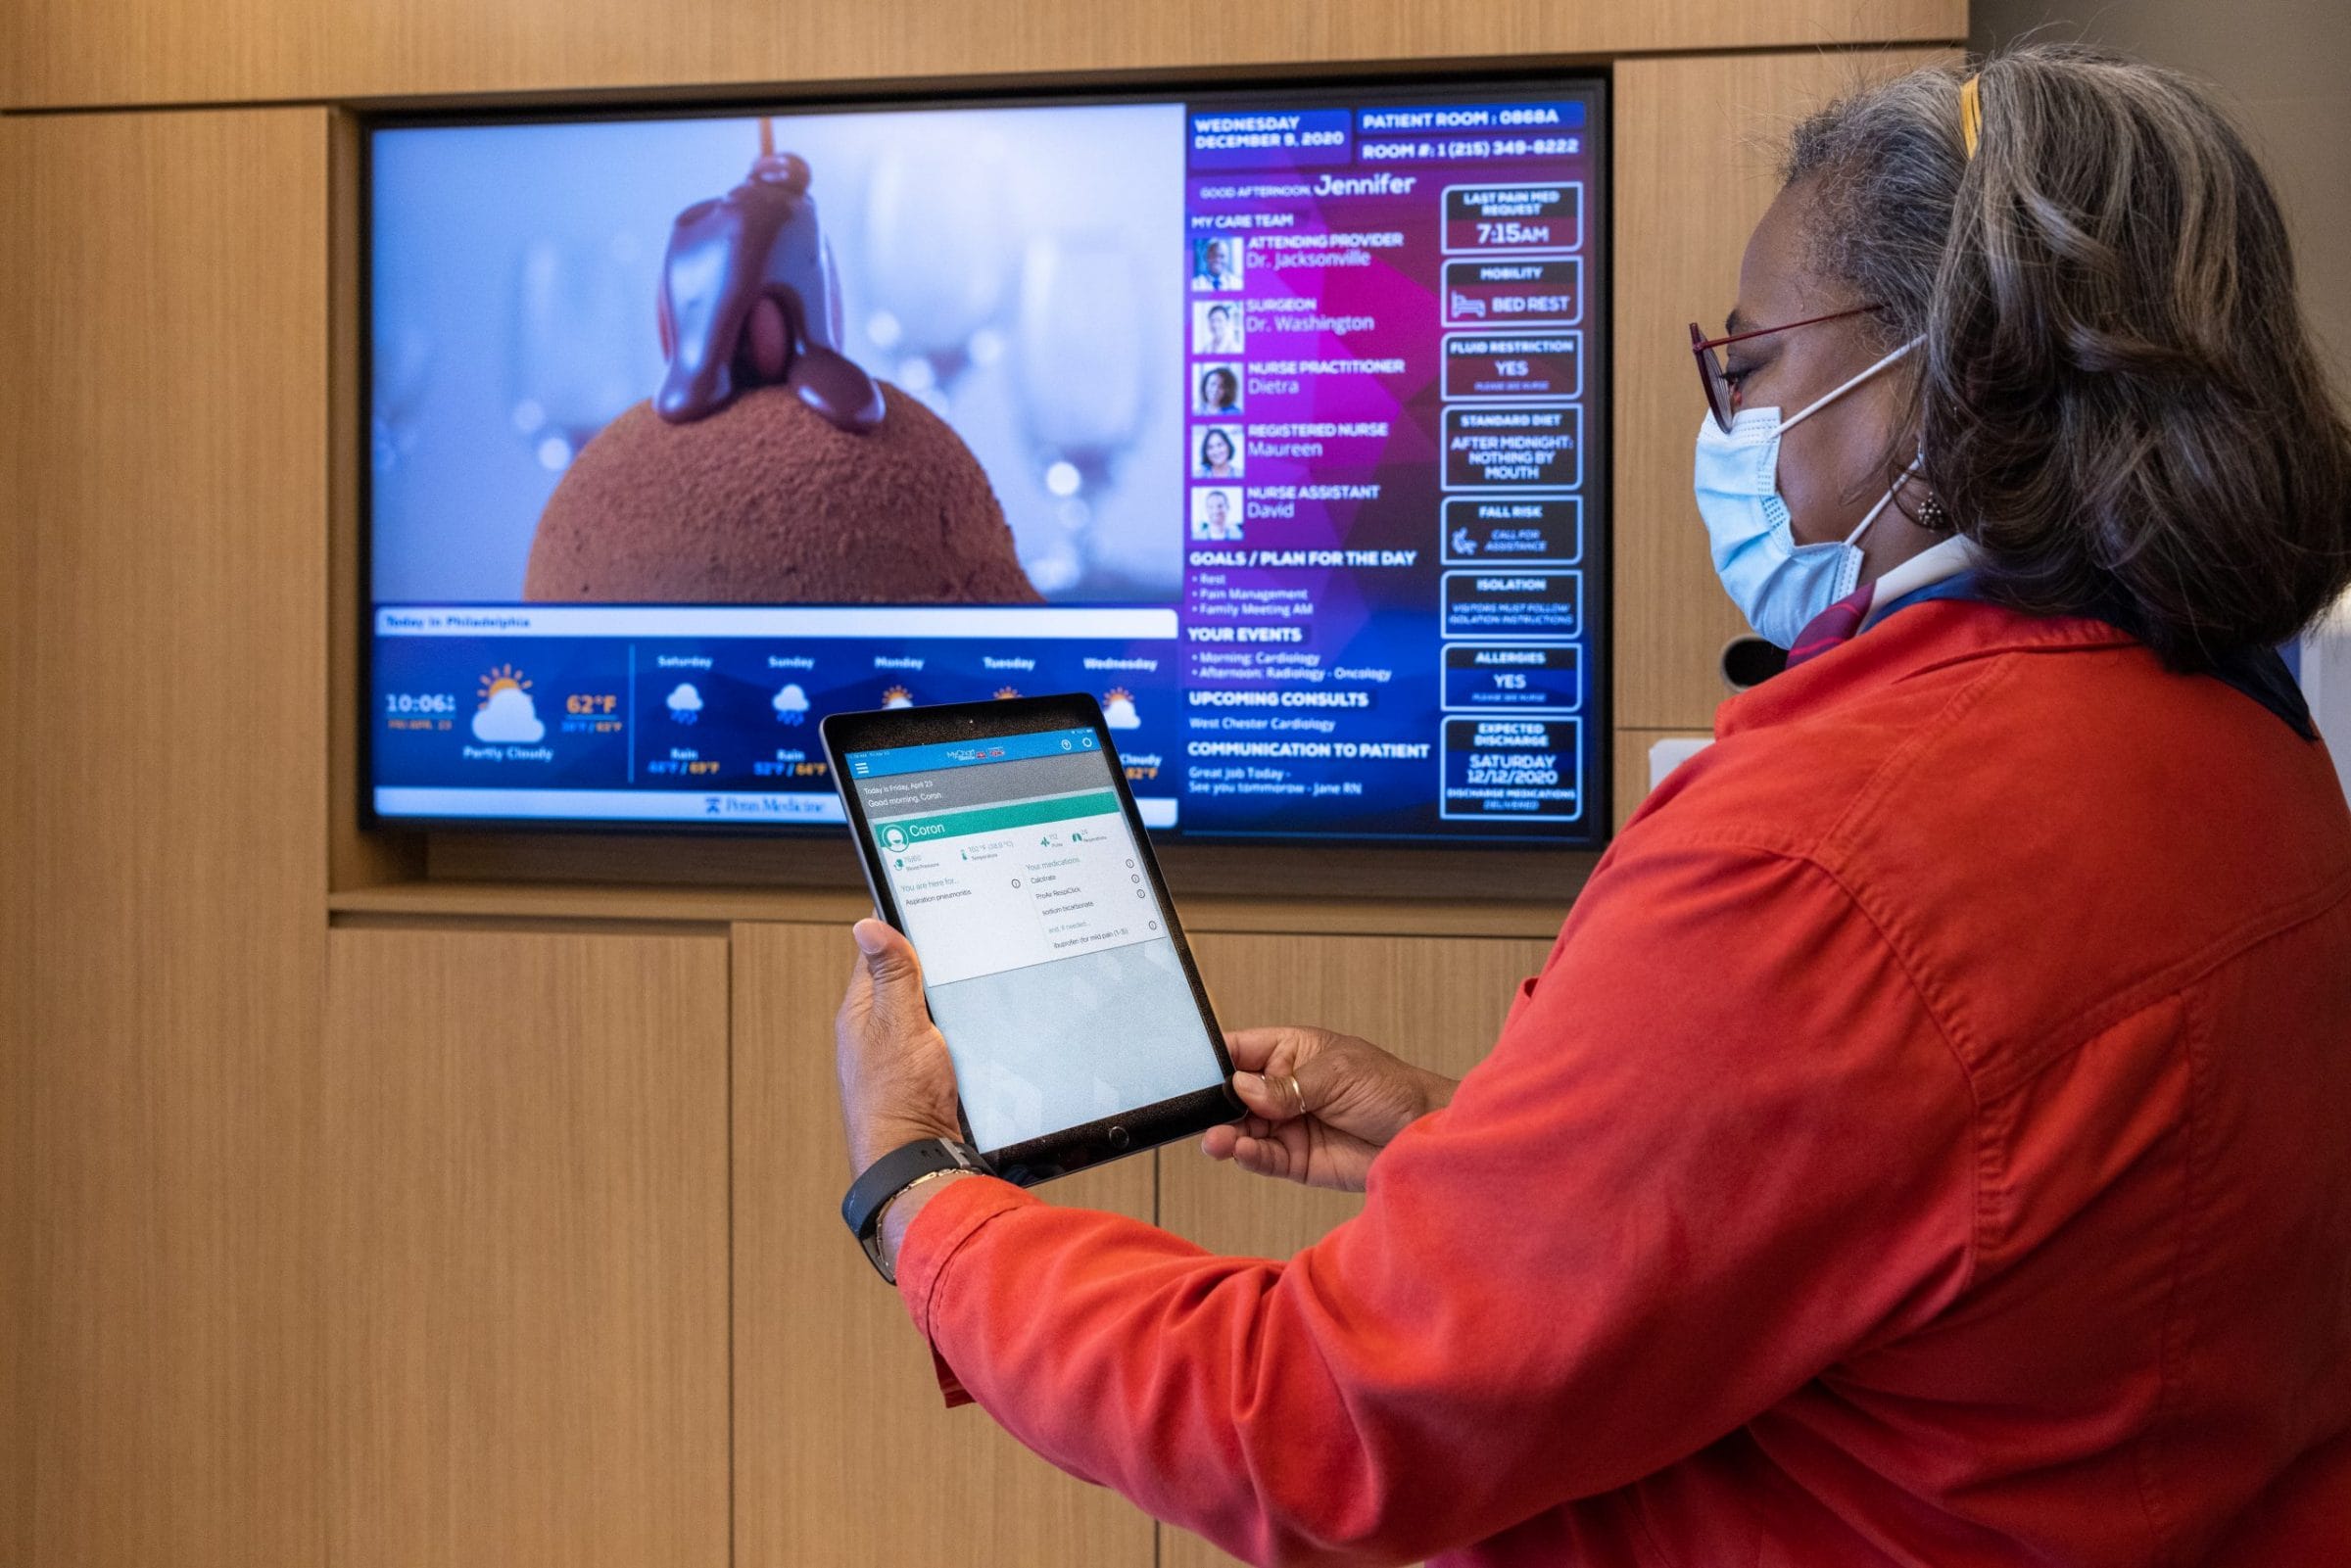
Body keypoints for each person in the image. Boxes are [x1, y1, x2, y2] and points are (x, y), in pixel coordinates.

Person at [835, 46, 2351, 1566]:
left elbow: (1312, 1419)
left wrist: (922, 1192)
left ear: (1946, 376)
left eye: (1748, 366)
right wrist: (1475, 1151)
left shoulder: (1823, 859)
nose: (1730, 422)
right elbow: (1939, 1229)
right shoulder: (2244, 748)